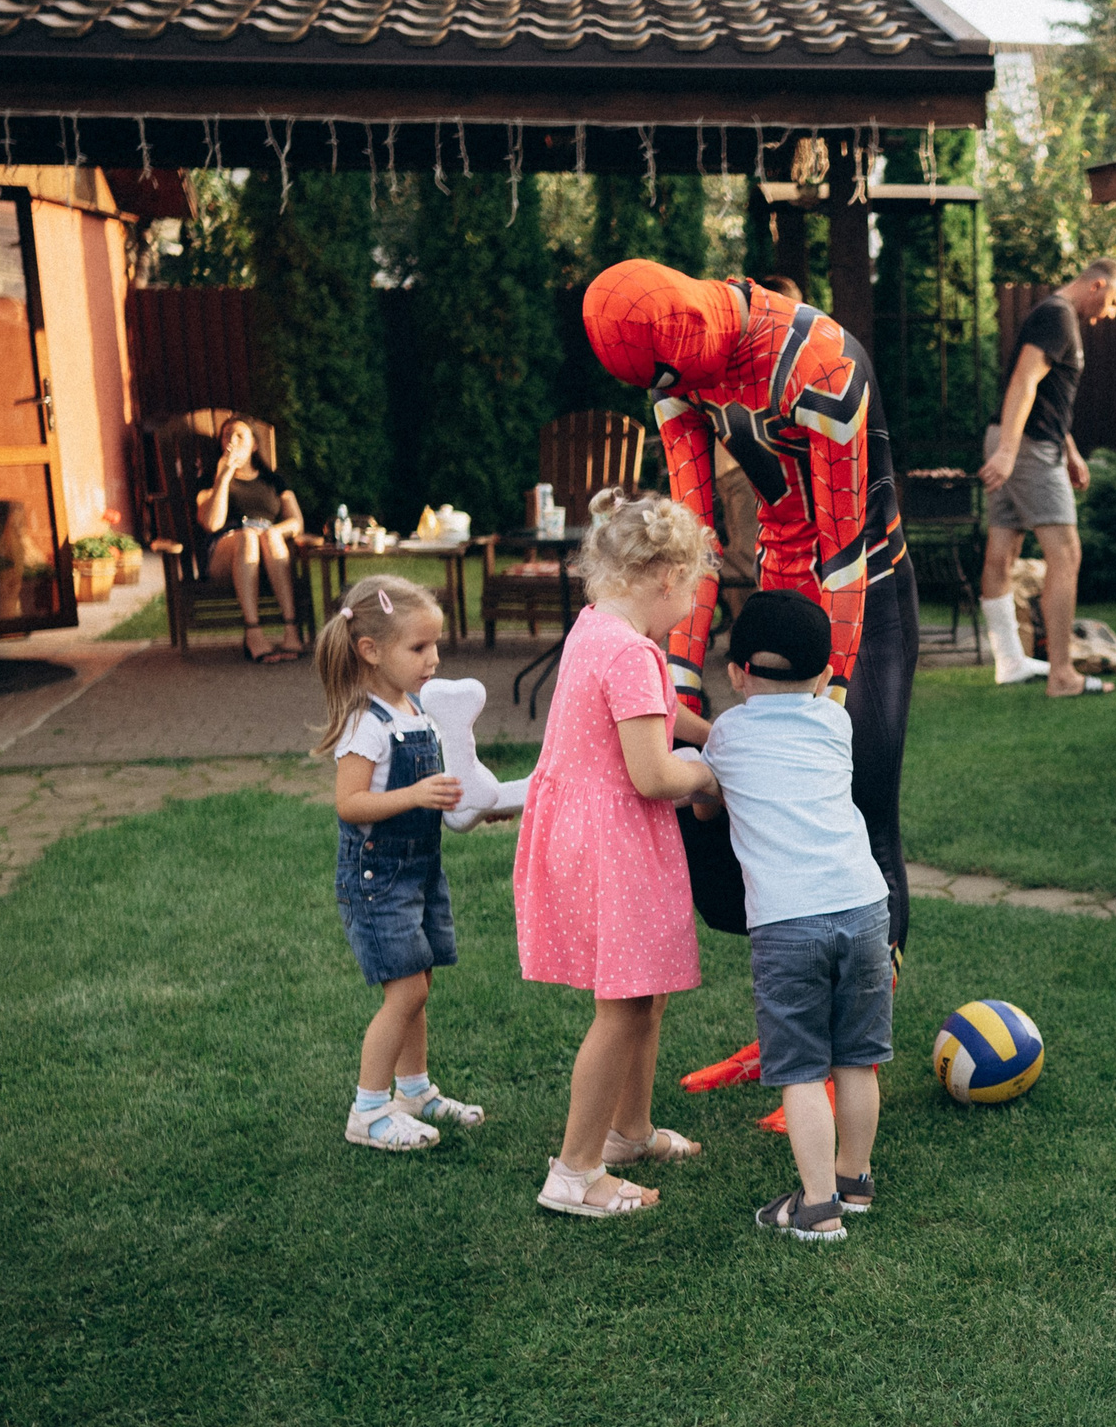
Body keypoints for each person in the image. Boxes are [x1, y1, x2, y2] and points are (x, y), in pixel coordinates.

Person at [579, 261, 916, 957]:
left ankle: (868, 1002)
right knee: (748, 803)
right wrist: (678, 680)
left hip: (867, 585)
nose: (677, 393)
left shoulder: (818, 361)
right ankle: (797, 983)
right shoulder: (674, 376)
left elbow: (845, 550)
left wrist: (831, 701)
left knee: (861, 800)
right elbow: (694, 539)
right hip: (778, 591)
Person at [511, 489, 724, 1218]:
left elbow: (662, 711)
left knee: (644, 993)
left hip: (591, 834)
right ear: (668, 577)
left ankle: (630, 1131)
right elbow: (654, 774)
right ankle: (576, 1171)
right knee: (624, 1005)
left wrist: (722, 733)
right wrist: (711, 777)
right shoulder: (631, 650)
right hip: (616, 843)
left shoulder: (598, 626)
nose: (691, 607)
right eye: (693, 592)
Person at [702, 589, 893, 1241]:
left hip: (789, 923)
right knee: (857, 1059)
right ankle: (855, 1180)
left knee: (804, 1068)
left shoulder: (727, 735)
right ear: (824, 675)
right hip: (865, 907)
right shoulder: (835, 722)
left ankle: (816, 1208)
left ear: (736, 674)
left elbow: (706, 804)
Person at [313, 574, 483, 1154]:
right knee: (404, 991)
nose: (433, 659)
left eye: (435, 645)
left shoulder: (415, 709)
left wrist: (475, 805)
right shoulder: (366, 724)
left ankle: (413, 1091)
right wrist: (414, 796)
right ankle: (367, 1110)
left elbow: (437, 789)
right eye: (419, 647)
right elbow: (349, 804)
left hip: (420, 872)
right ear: (371, 651)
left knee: (420, 984)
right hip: (378, 879)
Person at [978, 260, 1116, 694]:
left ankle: (1010, 662)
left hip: (1022, 440)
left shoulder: (1054, 315)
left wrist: (1070, 450)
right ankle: (1062, 674)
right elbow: (1024, 383)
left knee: (1003, 551)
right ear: (1096, 285)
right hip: (1027, 447)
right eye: (1113, 302)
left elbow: (1047, 395)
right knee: (1066, 554)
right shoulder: (1058, 317)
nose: (1111, 313)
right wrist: (1009, 452)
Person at [196, 415, 308, 664]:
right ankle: (253, 632)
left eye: (239, 435)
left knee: (269, 536)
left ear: (254, 444)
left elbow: (296, 522)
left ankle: (291, 631)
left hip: (268, 551)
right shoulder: (210, 478)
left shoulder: (273, 480)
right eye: (227, 435)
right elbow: (212, 523)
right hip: (225, 552)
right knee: (248, 537)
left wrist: (274, 532)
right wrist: (224, 476)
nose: (231, 441)